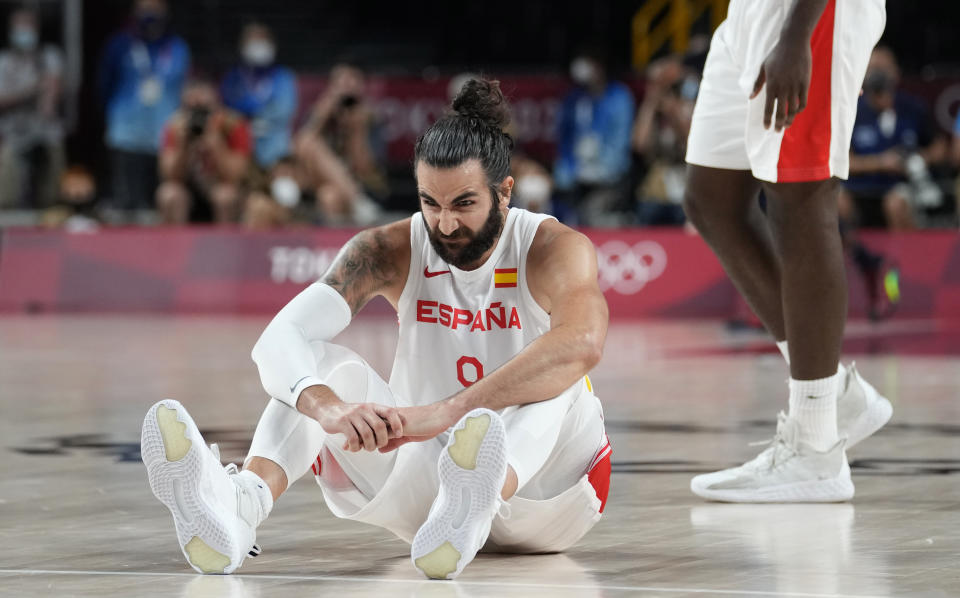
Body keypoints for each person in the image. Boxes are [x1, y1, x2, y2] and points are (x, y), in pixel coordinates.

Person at [141, 79, 612, 579]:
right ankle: (237, 511)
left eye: (464, 205)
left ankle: (481, 491)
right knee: (315, 367)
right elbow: (279, 339)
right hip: (434, 500)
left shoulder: (550, 247)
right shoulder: (389, 249)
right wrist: (330, 407)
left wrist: (446, 412)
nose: (446, 225)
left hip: (553, 494)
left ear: (505, 192)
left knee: (558, 377)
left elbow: (582, 343)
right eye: (431, 203)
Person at [682, 0, 893, 502]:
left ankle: (816, 449)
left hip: (808, 15)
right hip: (748, 16)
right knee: (711, 200)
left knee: (801, 198)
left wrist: (800, 36)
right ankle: (836, 393)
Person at [98, 0, 189, 215]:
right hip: (126, 132)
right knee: (127, 201)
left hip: (164, 132)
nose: (151, 12)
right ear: (134, 10)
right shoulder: (119, 45)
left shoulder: (177, 48)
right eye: (145, 7)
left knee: (157, 200)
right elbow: (104, 85)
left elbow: (184, 87)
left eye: (156, 7)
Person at [842, 47, 944, 230]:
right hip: (858, 189)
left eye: (884, 68)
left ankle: (907, 256)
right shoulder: (850, 111)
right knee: (837, 202)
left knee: (896, 203)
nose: (878, 74)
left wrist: (920, 158)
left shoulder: (913, 108)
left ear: (896, 73)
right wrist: (881, 163)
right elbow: (843, 162)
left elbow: (939, 147)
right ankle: (851, 256)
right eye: (873, 68)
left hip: (901, 186)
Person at [295, 62, 389, 224]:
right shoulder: (320, 114)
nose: (346, 89)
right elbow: (299, 147)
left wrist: (357, 131)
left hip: (356, 183)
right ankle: (358, 201)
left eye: (352, 83)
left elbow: (366, 171)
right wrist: (321, 117)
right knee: (309, 141)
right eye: (342, 83)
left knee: (330, 197)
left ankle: (338, 245)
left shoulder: (369, 119)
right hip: (315, 178)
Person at [553, 46, 634, 226]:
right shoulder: (572, 99)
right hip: (576, 177)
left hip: (609, 177)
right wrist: (566, 172)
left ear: (599, 66)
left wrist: (603, 170)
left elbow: (620, 142)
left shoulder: (619, 96)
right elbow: (564, 139)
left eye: (587, 61)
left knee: (592, 214)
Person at [156, 79, 252, 224]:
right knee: (169, 194)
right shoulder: (175, 126)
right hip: (189, 192)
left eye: (204, 111)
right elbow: (170, 175)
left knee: (225, 196)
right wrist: (183, 147)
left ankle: (225, 244)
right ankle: (173, 245)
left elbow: (235, 176)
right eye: (192, 110)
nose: (198, 118)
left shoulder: (233, 125)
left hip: (220, 188)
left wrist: (217, 144)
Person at [0, 7, 64, 209]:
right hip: (14, 131)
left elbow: (53, 85)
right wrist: (33, 89)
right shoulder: (4, 61)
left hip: (44, 130)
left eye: (29, 25)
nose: (25, 30)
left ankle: (52, 203)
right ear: (11, 30)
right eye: (20, 26)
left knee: (54, 158)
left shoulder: (49, 55)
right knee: (8, 186)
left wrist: (48, 100)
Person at [220, 22, 297, 171]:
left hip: (275, 145)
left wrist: (253, 112)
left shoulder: (283, 77)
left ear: (272, 45)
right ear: (243, 46)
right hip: (240, 146)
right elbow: (228, 108)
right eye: (253, 41)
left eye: (263, 41)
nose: (258, 46)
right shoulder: (233, 78)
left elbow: (284, 110)